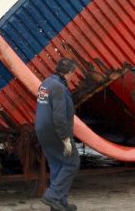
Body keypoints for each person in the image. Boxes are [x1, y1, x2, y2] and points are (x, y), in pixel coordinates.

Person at [35, 58, 80, 211]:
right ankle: (52, 196)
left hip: (42, 130)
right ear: (70, 73)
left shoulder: (46, 83)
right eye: (73, 74)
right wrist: (66, 138)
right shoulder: (59, 87)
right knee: (72, 162)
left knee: (57, 165)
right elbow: (59, 117)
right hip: (55, 131)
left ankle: (59, 203)